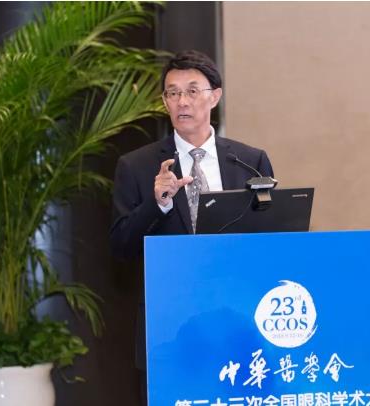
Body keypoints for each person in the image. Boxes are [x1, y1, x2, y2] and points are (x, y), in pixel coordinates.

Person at [109, 50, 274, 405]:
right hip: (170, 325)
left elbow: (270, 241)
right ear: (164, 102)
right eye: (173, 93)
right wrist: (157, 203)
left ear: (215, 97)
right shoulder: (136, 166)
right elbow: (120, 246)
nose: (182, 101)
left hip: (241, 323)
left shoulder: (249, 161)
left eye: (192, 91)